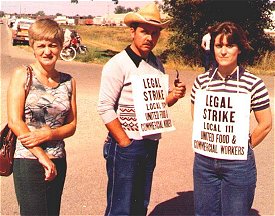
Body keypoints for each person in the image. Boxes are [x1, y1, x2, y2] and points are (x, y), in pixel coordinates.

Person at [97, 3, 186, 216]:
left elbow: (158, 104)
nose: (149, 38)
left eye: (154, 34)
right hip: (127, 144)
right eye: (144, 31)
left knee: (140, 204)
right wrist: (124, 142)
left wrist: (173, 96)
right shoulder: (117, 64)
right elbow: (104, 107)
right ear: (133, 31)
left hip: (150, 143)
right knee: (120, 208)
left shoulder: (157, 64)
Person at [191, 21, 272, 216]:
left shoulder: (253, 83)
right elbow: (198, 119)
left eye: (230, 45)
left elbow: (266, 123)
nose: (224, 51)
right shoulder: (201, 82)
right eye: (219, 46)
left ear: (239, 49)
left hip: (238, 165)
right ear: (213, 48)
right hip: (205, 162)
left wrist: (245, 145)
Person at [7, 18, 77, 216]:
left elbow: (72, 125)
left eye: (53, 45)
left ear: (61, 46)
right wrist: (42, 155)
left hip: (58, 159)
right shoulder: (23, 74)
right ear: (33, 47)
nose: (47, 51)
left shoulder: (68, 81)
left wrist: (49, 134)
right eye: (41, 45)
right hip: (29, 159)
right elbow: (15, 121)